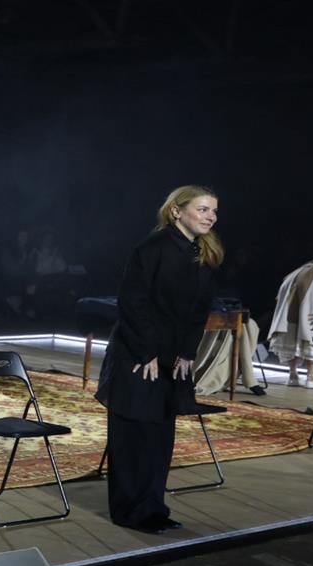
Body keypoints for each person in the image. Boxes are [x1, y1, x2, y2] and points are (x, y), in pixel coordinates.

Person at [95, 185, 221, 534]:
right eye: (203, 209)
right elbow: (133, 302)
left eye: (213, 210)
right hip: (139, 355)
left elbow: (199, 311)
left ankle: (153, 507)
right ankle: (130, 512)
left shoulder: (201, 252)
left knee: (160, 437)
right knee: (134, 435)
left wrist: (188, 351)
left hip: (171, 359)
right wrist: (146, 351)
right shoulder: (153, 247)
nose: (211, 216)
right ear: (176, 211)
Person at [267, 258, 313, 387]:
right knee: (310, 330)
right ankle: (310, 377)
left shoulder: (299, 270)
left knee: (292, 330)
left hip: (292, 284)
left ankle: (293, 375)